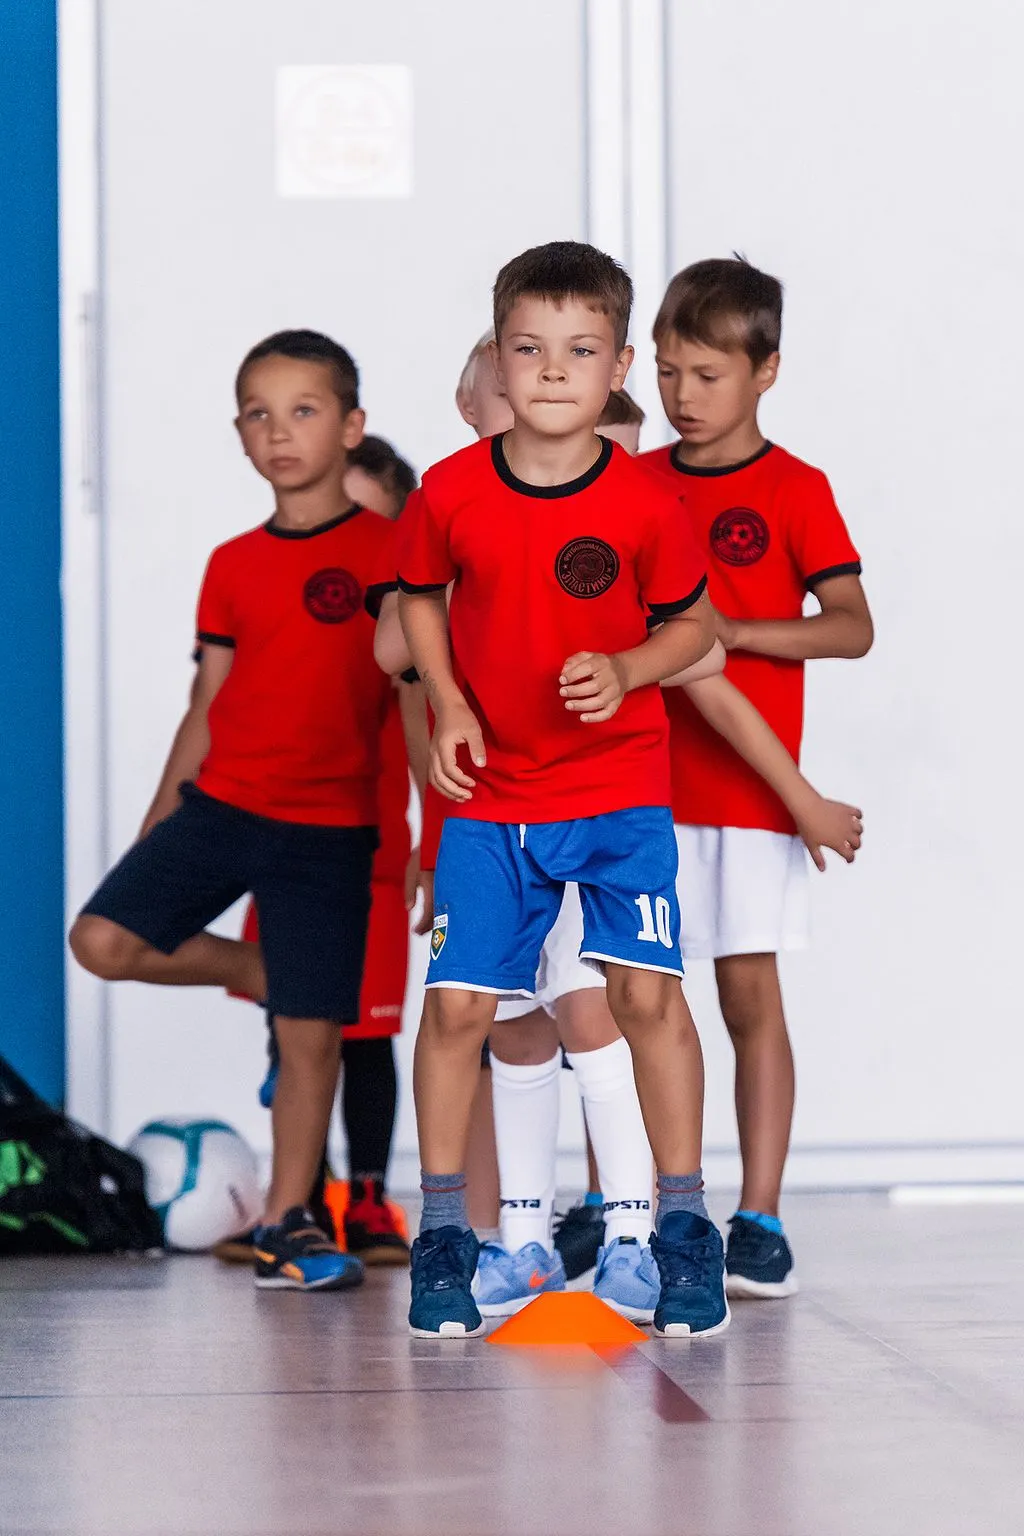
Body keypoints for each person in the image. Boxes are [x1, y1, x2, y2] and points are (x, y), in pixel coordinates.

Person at [396, 239, 729, 1340]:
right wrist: (448, 703)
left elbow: (692, 626)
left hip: (618, 791)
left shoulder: (645, 502)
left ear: (618, 367)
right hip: (492, 798)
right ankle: (447, 1236)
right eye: (529, 348)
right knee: (458, 1009)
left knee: (644, 1000)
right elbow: (420, 598)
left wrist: (630, 667)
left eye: (580, 351)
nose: (551, 370)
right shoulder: (450, 490)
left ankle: (683, 1232)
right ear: (497, 358)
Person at [69, 329, 397, 1291]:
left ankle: (288, 1221)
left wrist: (443, 828)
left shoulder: (390, 552)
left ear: (352, 426)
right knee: (102, 941)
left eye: (303, 411)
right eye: (258, 414)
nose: (278, 432)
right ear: (240, 433)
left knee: (311, 1036)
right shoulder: (231, 562)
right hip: (224, 804)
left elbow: (418, 704)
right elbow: (206, 701)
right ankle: (264, 969)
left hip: (331, 827)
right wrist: (158, 819)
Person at [640, 257, 874, 1297]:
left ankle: (761, 1216)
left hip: (748, 792)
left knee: (746, 998)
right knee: (636, 1001)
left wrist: (732, 633)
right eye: (667, 372)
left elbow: (851, 627)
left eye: (707, 374)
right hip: (639, 788)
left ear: (765, 370)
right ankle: (638, 1212)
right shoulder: (632, 481)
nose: (682, 395)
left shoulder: (795, 488)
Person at [226, 434, 423, 1265]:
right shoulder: (280, 603)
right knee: (292, 1027)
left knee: (366, 1036)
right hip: (285, 843)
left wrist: (435, 844)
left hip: (371, 857)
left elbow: (429, 740)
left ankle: (368, 1200)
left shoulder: (411, 629)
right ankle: (297, 1201)